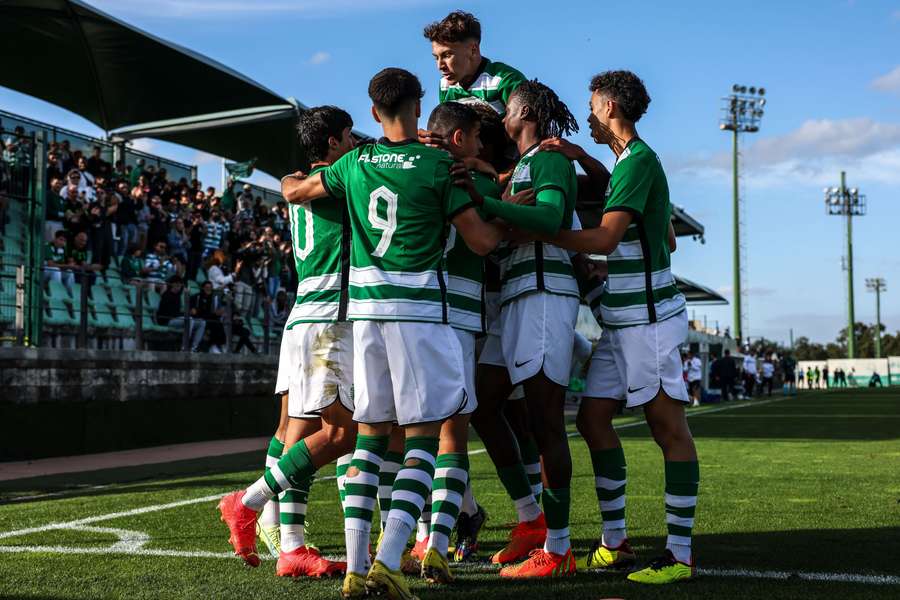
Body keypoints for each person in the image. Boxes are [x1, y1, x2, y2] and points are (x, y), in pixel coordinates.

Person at [266, 68, 502, 599]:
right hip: (422, 315)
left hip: (365, 317)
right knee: (422, 439)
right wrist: (508, 209)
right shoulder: (440, 164)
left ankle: (354, 565)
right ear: (419, 107)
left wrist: (289, 180)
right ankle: (393, 559)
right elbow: (482, 242)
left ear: (374, 113)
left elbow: (297, 188)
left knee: (369, 439)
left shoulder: (354, 161)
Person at [532, 71, 698, 584]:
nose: (586, 114)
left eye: (590, 105)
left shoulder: (639, 160)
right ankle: (617, 543)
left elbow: (604, 240)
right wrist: (584, 160)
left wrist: (544, 232)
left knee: (667, 429)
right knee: (593, 418)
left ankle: (679, 556)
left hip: (647, 322)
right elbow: (665, 235)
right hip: (623, 321)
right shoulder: (631, 162)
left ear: (607, 106)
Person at [454, 79, 583, 578]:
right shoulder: (525, 164)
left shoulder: (549, 158)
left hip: (545, 293)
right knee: (483, 406)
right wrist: (498, 192)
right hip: (517, 296)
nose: (501, 117)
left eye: (507, 109)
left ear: (525, 111)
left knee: (546, 421)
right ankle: (532, 519)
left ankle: (559, 547)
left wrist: (489, 204)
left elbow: (550, 218)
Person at [424, 11, 526, 116]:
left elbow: (528, 128)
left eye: (447, 55)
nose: (440, 66)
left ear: (473, 50)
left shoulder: (506, 80)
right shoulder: (444, 85)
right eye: (436, 58)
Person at [156, 276, 205, 351]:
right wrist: (183, 314)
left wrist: (185, 313)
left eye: (180, 284)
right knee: (189, 320)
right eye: (177, 284)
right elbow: (168, 313)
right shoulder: (166, 295)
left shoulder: (178, 296)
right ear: (172, 284)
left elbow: (177, 312)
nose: (179, 286)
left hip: (177, 319)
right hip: (167, 320)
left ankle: (194, 348)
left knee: (202, 322)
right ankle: (184, 347)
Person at [43, 230, 75, 294]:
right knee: (56, 270)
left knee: (70, 272)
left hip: (55, 270)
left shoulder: (63, 248)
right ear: (55, 238)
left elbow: (68, 262)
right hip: (44, 271)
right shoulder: (47, 246)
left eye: (64, 241)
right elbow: (50, 264)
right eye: (61, 239)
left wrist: (70, 264)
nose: (62, 242)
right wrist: (67, 266)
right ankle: (56, 294)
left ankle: (70, 295)